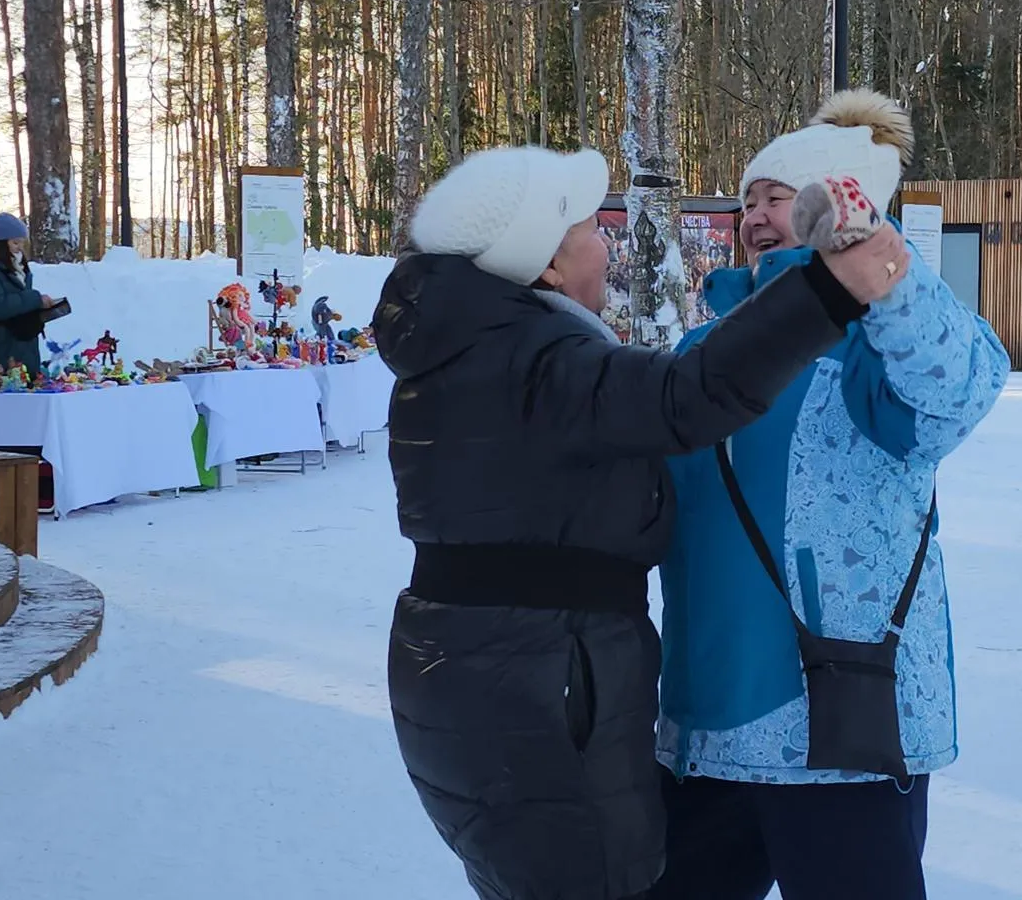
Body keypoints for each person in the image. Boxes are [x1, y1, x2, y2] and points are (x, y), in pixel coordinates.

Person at [374, 145, 908, 900]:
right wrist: (828, 291)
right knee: (594, 879)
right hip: (541, 678)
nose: (608, 246)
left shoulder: (467, 350)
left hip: (480, 667)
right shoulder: (535, 358)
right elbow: (688, 397)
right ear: (550, 268)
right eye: (593, 231)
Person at [649, 90, 1010, 900]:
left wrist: (879, 271)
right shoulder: (706, 347)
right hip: (703, 721)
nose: (757, 216)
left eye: (781, 198)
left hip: (839, 726)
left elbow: (962, 387)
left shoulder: (872, 345)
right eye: (749, 200)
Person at [0, 213, 56, 389]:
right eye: (15, 243)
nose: (19, 248)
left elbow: (17, 305)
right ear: (0, 244)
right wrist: (34, 298)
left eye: (21, 243)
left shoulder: (18, 269)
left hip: (22, 347)